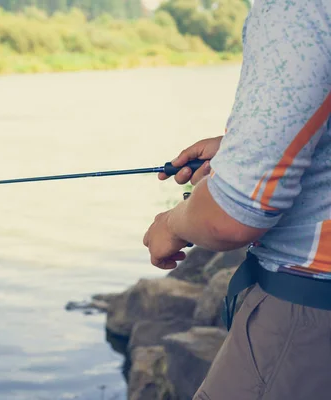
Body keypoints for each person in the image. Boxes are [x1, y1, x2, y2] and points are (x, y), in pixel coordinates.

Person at [142, 0, 331, 398]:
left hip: (306, 312)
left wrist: (171, 224)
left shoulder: (293, 8)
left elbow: (229, 218)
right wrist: (241, 151)